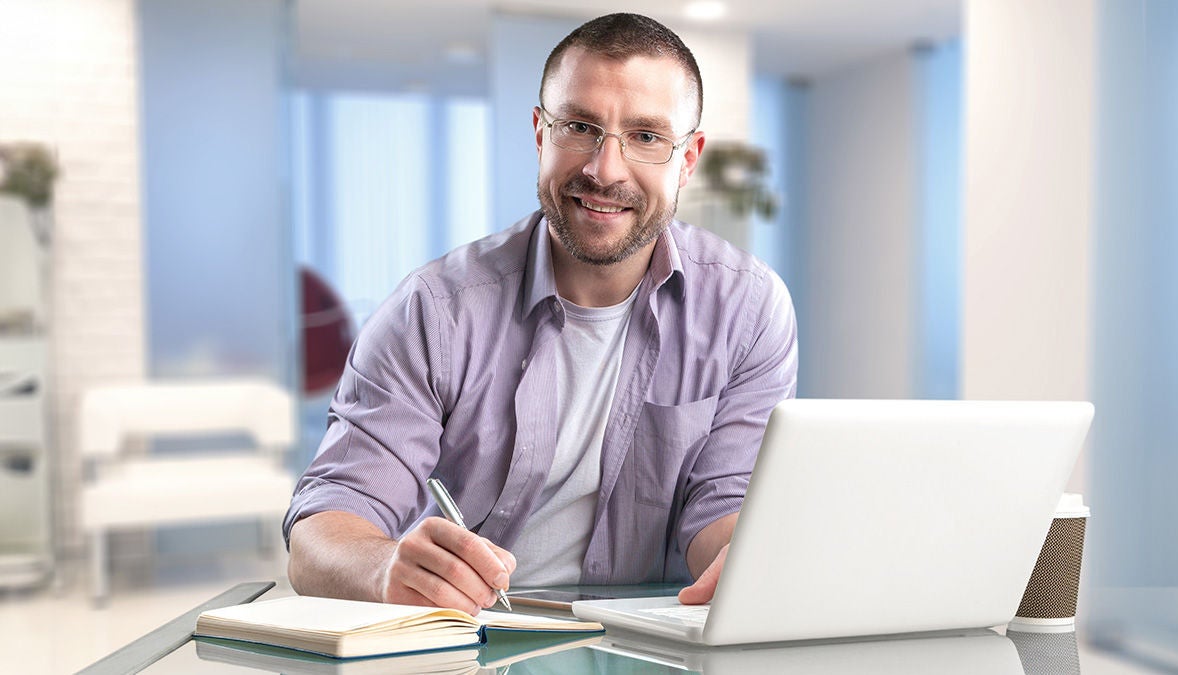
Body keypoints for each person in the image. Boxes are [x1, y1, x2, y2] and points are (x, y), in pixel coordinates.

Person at [284, 12, 798, 615]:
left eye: (646, 136)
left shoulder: (749, 310)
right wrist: (382, 567)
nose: (605, 170)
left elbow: (725, 504)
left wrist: (747, 556)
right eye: (579, 127)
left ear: (688, 159)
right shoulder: (433, 310)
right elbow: (324, 529)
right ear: (539, 134)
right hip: (471, 637)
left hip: (653, 641)